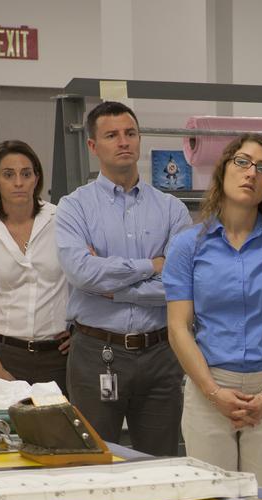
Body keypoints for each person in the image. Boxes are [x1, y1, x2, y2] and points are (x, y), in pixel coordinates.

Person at [163, 135, 262, 490]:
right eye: (242, 162)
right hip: (208, 390)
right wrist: (214, 392)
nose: (251, 174)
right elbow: (179, 329)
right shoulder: (188, 246)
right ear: (223, 170)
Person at [55, 100, 191, 455]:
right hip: (95, 352)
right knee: (93, 463)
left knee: (161, 463)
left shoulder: (172, 209)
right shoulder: (74, 207)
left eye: (130, 133)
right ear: (92, 146)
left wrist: (115, 289)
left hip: (161, 353)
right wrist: (152, 266)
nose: (123, 141)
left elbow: (181, 283)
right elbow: (82, 272)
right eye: (112, 135)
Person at [0, 140, 70, 389]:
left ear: (37, 178)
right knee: (6, 429)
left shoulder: (62, 220)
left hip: (59, 356)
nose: (19, 183)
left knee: (57, 428)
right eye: (8, 175)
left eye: (26, 173)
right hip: (3, 353)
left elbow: (89, 278)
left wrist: (82, 332)